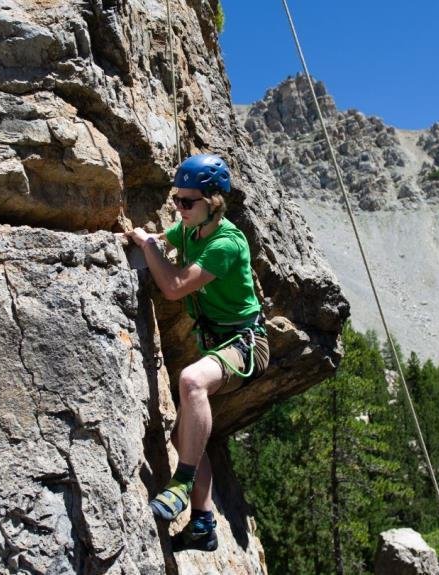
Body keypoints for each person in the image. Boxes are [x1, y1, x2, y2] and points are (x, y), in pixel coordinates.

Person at [126, 153, 269, 552]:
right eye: (176, 199)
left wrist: (147, 245)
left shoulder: (226, 243)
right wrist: (148, 240)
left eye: (187, 202)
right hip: (220, 341)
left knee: (191, 380)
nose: (179, 208)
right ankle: (204, 523)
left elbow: (173, 286)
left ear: (214, 202)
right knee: (182, 433)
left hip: (246, 342)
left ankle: (182, 482)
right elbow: (163, 240)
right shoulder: (189, 230)